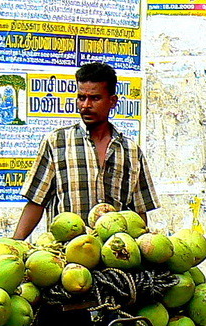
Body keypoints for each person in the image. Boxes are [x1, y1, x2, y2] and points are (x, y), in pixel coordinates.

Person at [12, 62, 159, 240]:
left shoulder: (130, 151)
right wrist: (14, 244)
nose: (85, 105)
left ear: (112, 101)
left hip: (114, 257)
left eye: (95, 98)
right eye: (81, 98)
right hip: (66, 258)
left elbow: (139, 212)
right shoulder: (57, 142)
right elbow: (36, 202)